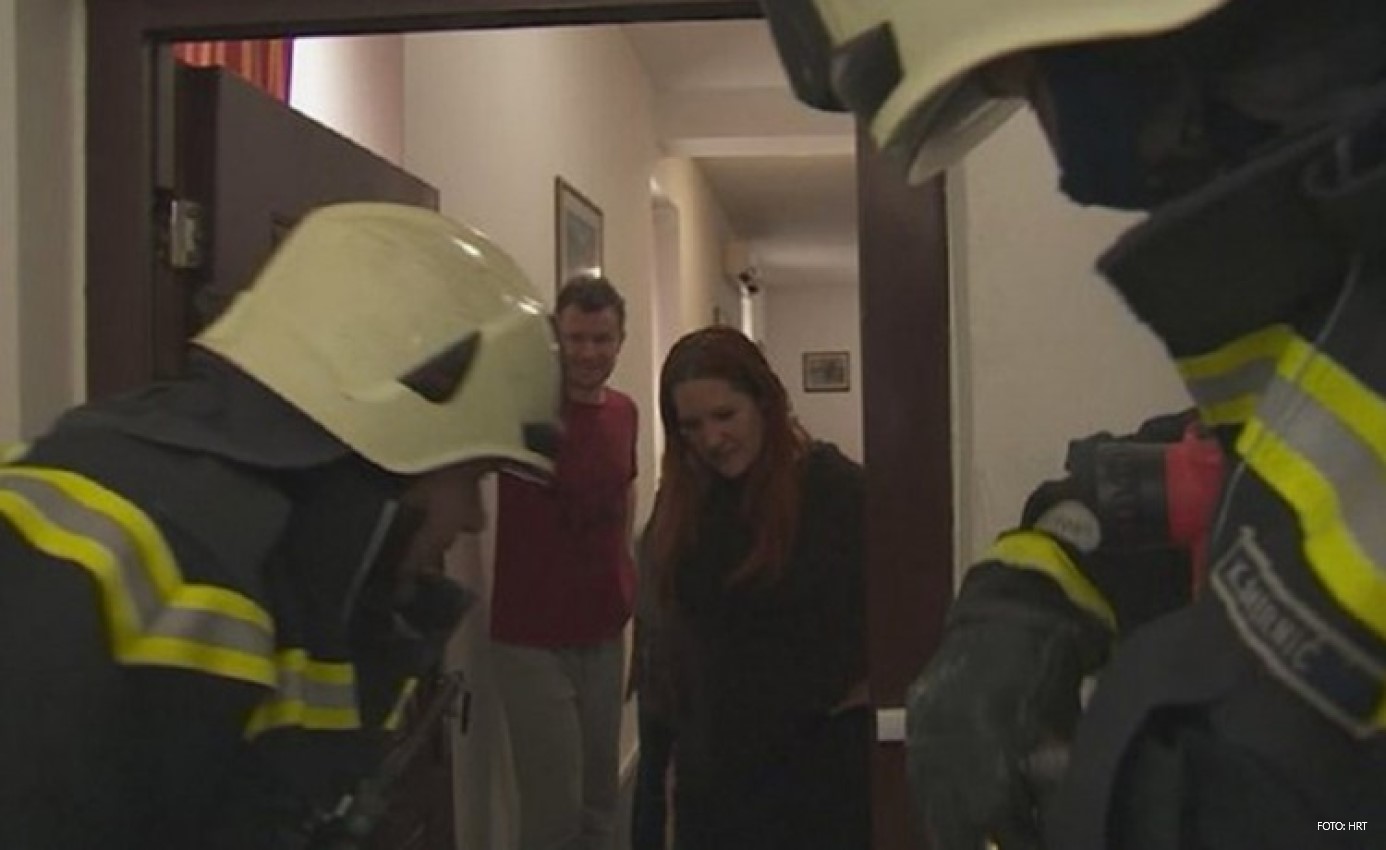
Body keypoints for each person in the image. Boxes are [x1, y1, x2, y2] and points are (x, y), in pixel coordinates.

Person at [757, 1, 1386, 848]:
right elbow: (1247, 474)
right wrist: (1036, 577)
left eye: (1029, 83)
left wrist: (1166, 807)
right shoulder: (1333, 308)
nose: (1063, 157)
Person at [0, 202, 561, 850]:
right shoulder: (114, 562)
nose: (474, 519)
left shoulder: (294, 566)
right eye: (472, 477)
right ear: (402, 426)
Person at [648, 326, 869, 850]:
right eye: (692, 426)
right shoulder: (684, 507)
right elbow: (675, 653)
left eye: (725, 415)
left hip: (817, 779)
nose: (711, 439)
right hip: (716, 781)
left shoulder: (834, 491)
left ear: (764, 403)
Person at [489, 275, 638, 850]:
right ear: (557, 339)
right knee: (553, 813)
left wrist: (627, 576)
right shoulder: (524, 411)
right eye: (576, 339)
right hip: (532, 638)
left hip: (603, 630)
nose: (588, 353)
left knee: (600, 802)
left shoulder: (624, 412)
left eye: (601, 339)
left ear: (620, 341)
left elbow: (625, 491)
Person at [628, 521, 676, 850]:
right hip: (666, 661)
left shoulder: (665, 520)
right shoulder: (668, 522)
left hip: (662, 658)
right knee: (653, 775)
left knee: (652, 775)